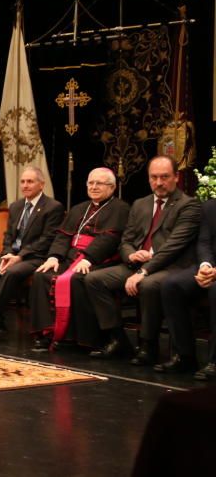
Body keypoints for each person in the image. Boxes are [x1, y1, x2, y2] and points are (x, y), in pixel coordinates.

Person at [84, 155, 200, 366]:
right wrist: (130, 254)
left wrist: (144, 269)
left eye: (164, 177)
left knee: (147, 285)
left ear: (176, 177)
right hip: (136, 264)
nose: (159, 182)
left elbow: (174, 246)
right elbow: (125, 240)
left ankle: (148, 345)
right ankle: (118, 338)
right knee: (94, 279)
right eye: (154, 177)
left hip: (169, 266)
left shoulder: (188, 205)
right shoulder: (140, 204)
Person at [28, 167, 129, 351]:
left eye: (100, 183)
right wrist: (53, 256)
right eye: (91, 183)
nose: (94, 187)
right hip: (71, 258)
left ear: (112, 187)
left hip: (100, 260)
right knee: (41, 275)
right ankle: (47, 334)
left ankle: (81, 339)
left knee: (78, 279)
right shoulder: (78, 208)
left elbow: (111, 238)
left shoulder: (120, 208)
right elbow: (63, 236)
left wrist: (89, 258)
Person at [0, 166, 64, 336]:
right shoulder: (16, 206)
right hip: (13, 255)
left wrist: (19, 257)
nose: (25, 185)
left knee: (11, 272)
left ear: (42, 184)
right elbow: (9, 235)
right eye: (23, 182)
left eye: (30, 181)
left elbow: (46, 240)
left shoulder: (53, 207)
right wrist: (8, 254)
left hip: (35, 257)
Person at [160, 198, 216, 378]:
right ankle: (184, 356)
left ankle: (214, 361)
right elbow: (204, 242)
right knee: (172, 285)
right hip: (210, 267)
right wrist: (205, 265)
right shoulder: (210, 206)